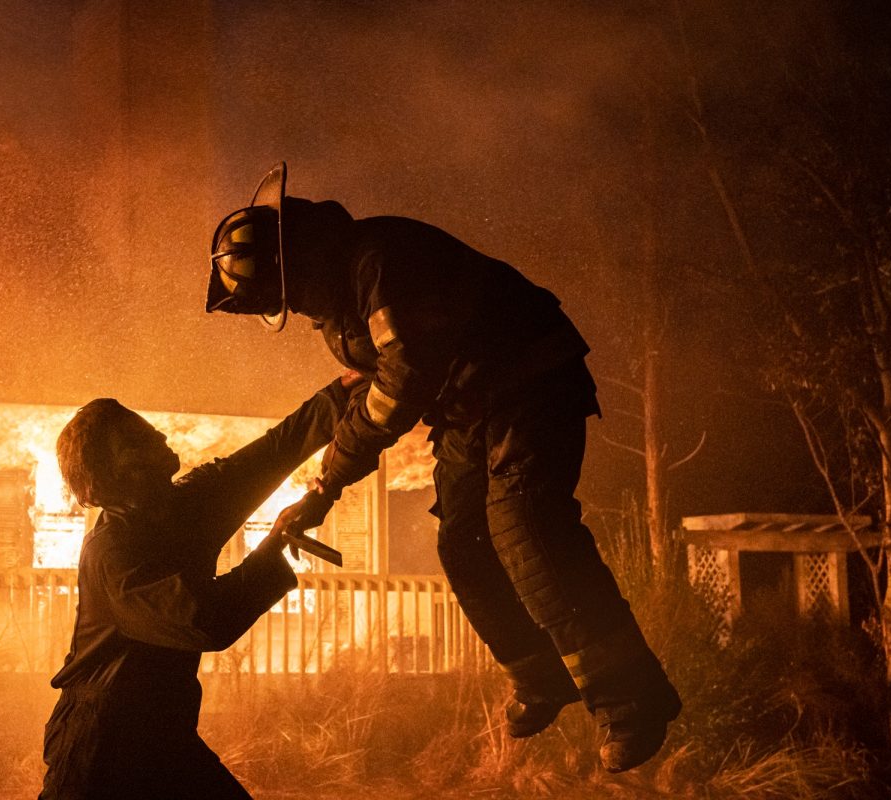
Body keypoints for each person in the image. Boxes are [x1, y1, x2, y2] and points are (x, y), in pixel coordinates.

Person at [203, 162, 681, 773]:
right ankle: (541, 678)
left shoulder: (379, 262)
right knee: (463, 545)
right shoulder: (341, 305)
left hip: (529, 380)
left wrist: (326, 485)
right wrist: (319, 474)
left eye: (287, 292)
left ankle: (632, 698)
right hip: (468, 410)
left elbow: (401, 383)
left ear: (295, 255)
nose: (294, 307)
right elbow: (369, 386)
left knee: (526, 525)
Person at [39, 374, 357, 799]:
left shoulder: (186, 506)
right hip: (100, 748)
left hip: (163, 738)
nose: (161, 435)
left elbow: (271, 453)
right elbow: (203, 619)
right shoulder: (112, 553)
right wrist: (272, 546)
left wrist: (341, 394)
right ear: (121, 469)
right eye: (142, 437)